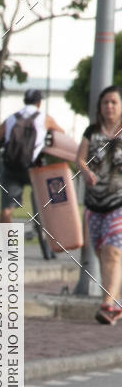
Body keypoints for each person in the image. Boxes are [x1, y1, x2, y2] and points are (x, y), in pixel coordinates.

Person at [76, 85, 122, 325]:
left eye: (114, 102)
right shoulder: (92, 131)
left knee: (113, 252)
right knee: (102, 253)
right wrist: (86, 172)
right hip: (94, 203)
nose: (109, 107)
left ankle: (107, 304)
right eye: (105, 102)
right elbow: (79, 158)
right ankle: (113, 304)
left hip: (119, 202)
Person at [0, 89, 64, 226]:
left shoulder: (12, 118)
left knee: (6, 209)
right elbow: (61, 134)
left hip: (11, 167)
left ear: (24, 101)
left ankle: (7, 246)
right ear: (39, 103)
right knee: (45, 199)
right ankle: (41, 229)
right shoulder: (45, 118)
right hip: (34, 168)